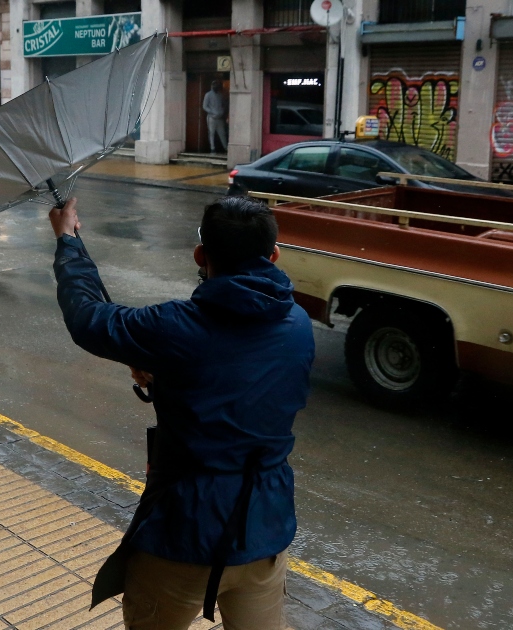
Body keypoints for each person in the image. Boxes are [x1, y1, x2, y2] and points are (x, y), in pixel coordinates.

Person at [49, 195, 315, 629]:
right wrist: (167, 369)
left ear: (200, 255)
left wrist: (68, 240)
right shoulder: (299, 325)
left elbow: (87, 317)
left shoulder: (175, 327)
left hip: (183, 536)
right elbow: (238, 381)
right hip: (264, 534)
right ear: (275, 255)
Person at [202, 80, 228, 154]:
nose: (216, 86)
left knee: (222, 133)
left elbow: (223, 105)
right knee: (211, 133)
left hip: (219, 117)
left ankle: (225, 147)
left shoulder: (220, 95)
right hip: (212, 117)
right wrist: (212, 112)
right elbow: (204, 106)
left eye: (217, 85)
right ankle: (212, 148)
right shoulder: (208, 95)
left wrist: (222, 111)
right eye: (214, 85)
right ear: (212, 86)